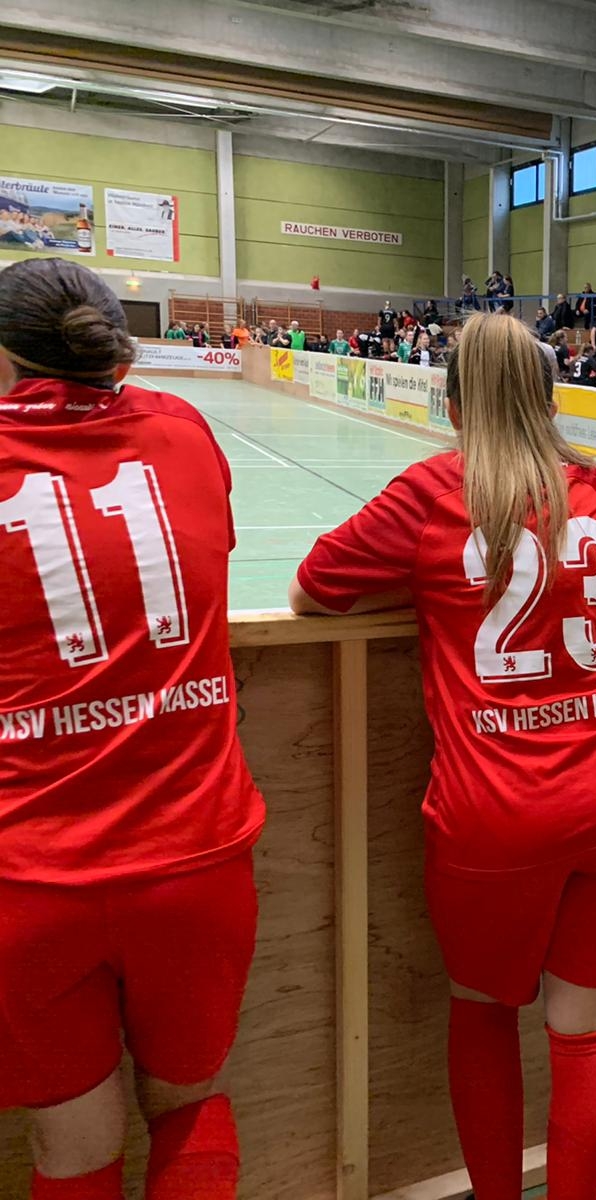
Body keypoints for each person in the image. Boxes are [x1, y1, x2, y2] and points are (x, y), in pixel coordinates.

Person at [291, 313, 596, 1200]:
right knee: (589, 1026)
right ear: (551, 403)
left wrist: (428, 594)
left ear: (453, 402)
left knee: (483, 1010)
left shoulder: (431, 494)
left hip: (497, 814)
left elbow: (311, 591)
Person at [0, 258, 264, 1199]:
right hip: (194, 860)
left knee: (71, 1146)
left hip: (30, 876)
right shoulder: (184, 431)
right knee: (191, 1106)